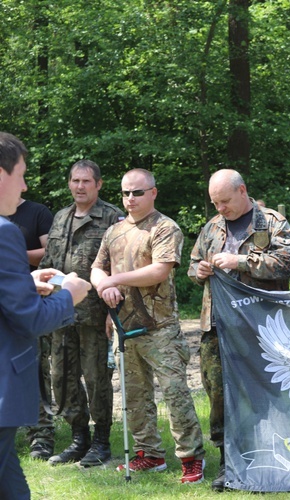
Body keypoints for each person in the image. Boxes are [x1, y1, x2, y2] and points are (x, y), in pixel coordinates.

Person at [90, 168, 206, 484]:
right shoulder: (113, 232)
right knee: (134, 398)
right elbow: (96, 268)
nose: (130, 199)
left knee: (175, 394)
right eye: (126, 193)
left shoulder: (165, 228)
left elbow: (159, 270)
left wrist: (114, 280)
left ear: (153, 192)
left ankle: (192, 458)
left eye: (137, 192)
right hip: (123, 329)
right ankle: (149, 455)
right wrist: (103, 286)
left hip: (160, 329)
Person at [188, 169, 290, 490]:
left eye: (224, 201)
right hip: (218, 324)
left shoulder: (272, 222)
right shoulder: (212, 227)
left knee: (264, 394)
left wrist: (241, 261)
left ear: (242, 191)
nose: (220, 208)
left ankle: (270, 458)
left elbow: (287, 262)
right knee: (218, 393)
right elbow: (193, 264)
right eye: (215, 203)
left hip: (260, 324)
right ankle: (228, 462)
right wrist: (202, 269)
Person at [0, 132, 91, 499]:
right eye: (20, 174)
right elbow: (32, 320)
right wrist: (70, 294)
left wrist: (24, 279)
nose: (24, 188)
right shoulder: (4, 233)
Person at [38, 160, 124, 467]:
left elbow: (120, 268)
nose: (80, 186)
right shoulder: (60, 217)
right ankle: (78, 438)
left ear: (99, 184)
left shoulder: (112, 217)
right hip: (61, 314)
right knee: (63, 377)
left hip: (95, 316)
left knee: (97, 378)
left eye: (86, 181)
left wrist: (111, 314)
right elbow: (49, 261)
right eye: (75, 180)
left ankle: (101, 441)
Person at [9, 198, 56, 460]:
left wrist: (11, 254)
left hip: (30, 303)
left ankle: (41, 435)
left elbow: (48, 252)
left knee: (33, 370)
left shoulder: (36, 212)